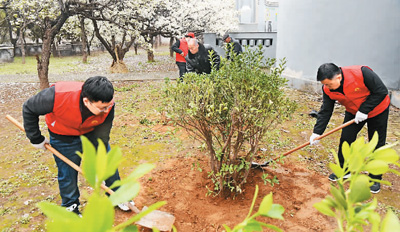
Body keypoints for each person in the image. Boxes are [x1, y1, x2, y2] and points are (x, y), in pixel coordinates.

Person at [22, 76, 134, 216]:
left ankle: (117, 195)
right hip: (62, 135)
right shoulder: (57, 96)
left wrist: (98, 161)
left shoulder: (108, 104)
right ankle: (70, 206)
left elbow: (103, 132)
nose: (106, 110)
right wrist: (36, 138)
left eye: (108, 106)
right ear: (86, 101)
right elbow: (28, 108)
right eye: (102, 108)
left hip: (91, 132)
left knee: (107, 161)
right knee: (67, 172)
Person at [309, 63, 390, 194]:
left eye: (329, 84)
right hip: (353, 111)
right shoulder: (327, 89)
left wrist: (364, 110)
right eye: (325, 85)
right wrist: (316, 132)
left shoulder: (361, 73)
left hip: (377, 110)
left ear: (339, 77)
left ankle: (375, 178)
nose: (327, 87)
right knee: (346, 138)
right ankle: (344, 170)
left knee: (376, 143)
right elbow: (326, 111)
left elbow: (381, 91)